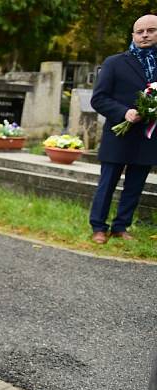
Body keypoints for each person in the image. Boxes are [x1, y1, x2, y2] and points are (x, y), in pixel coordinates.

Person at [88, 14, 157, 244]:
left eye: (151, 30)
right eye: (140, 31)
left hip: (148, 136)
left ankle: (121, 226)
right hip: (119, 132)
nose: (145, 35)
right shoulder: (115, 62)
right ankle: (98, 227)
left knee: (135, 185)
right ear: (133, 35)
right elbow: (98, 99)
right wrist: (124, 112)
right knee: (107, 184)